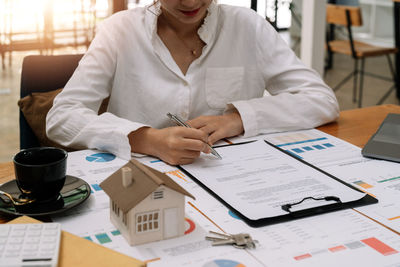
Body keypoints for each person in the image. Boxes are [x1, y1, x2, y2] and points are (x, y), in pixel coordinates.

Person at [46, 0, 339, 165]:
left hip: (231, 177)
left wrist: (237, 119)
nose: (190, 2)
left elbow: (321, 100)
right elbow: (62, 117)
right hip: (142, 182)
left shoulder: (247, 26)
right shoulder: (119, 31)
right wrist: (146, 139)